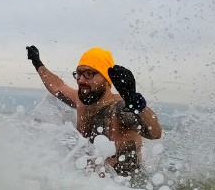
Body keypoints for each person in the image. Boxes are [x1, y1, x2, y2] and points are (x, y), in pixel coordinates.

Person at [26, 45, 162, 176]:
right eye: (78, 74)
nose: (81, 80)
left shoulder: (120, 107)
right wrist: (37, 63)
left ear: (106, 79)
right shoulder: (80, 101)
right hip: (93, 188)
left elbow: (155, 133)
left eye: (88, 74)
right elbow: (57, 86)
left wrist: (134, 102)